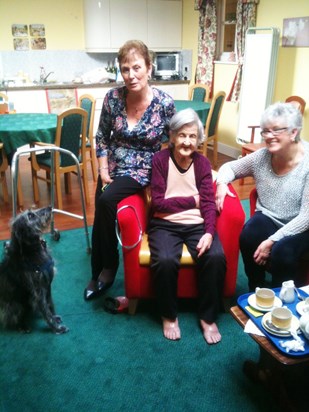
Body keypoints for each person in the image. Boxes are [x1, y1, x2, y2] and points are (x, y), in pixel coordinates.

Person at [84, 40, 176, 300]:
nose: (131, 75)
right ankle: (99, 265)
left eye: (137, 67)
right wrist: (102, 168)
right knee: (101, 203)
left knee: (106, 199)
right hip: (113, 164)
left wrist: (165, 175)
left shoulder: (164, 103)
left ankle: (107, 268)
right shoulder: (113, 98)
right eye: (125, 69)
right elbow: (101, 136)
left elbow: (174, 142)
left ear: (149, 68)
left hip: (143, 167)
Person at [148, 108, 226, 344]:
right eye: (182, 135)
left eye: (193, 136)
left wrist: (209, 233)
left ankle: (208, 317)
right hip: (164, 224)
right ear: (172, 137)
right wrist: (192, 200)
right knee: (165, 260)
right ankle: (169, 315)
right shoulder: (160, 160)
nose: (187, 141)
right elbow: (158, 204)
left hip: (196, 224)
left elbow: (209, 203)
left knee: (215, 257)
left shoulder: (202, 163)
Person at [216, 102, 309, 291]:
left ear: (293, 132)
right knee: (249, 235)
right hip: (270, 216)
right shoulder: (261, 157)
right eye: (265, 131)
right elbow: (229, 167)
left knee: (283, 252)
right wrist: (221, 183)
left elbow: (306, 217)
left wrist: (272, 240)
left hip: (302, 225)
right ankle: (256, 287)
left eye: (276, 130)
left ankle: (279, 297)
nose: (269, 136)